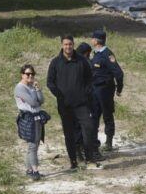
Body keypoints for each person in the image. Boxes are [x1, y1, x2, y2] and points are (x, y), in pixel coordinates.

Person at [46, 35, 101, 170]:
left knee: (88, 129)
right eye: (65, 44)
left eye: (70, 44)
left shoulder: (81, 61)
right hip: (65, 106)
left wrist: (85, 93)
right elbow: (50, 82)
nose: (68, 47)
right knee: (69, 133)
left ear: (73, 44)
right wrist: (59, 96)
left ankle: (90, 159)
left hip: (81, 104)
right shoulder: (55, 63)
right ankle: (73, 161)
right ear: (61, 45)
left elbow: (89, 79)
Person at [90, 30, 124, 152]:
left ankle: (109, 142)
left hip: (105, 90)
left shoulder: (107, 54)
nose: (91, 40)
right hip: (95, 90)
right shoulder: (96, 53)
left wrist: (119, 89)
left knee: (107, 115)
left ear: (96, 40)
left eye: (92, 38)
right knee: (94, 115)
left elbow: (119, 74)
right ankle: (94, 141)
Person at [14, 64, 47, 181]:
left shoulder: (32, 86)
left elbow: (41, 100)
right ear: (22, 75)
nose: (30, 76)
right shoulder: (20, 88)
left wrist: (37, 89)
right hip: (28, 119)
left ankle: (29, 170)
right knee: (32, 145)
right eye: (28, 74)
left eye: (32, 74)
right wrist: (36, 97)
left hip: (36, 118)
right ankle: (35, 171)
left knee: (35, 144)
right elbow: (33, 103)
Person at [74, 42, 93, 162]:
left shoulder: (74, 62)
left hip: (73, 100)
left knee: (77, 127)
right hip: (84, 100)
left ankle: (78, 152)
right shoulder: (85, 63)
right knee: (86, 127)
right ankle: (83, 152)